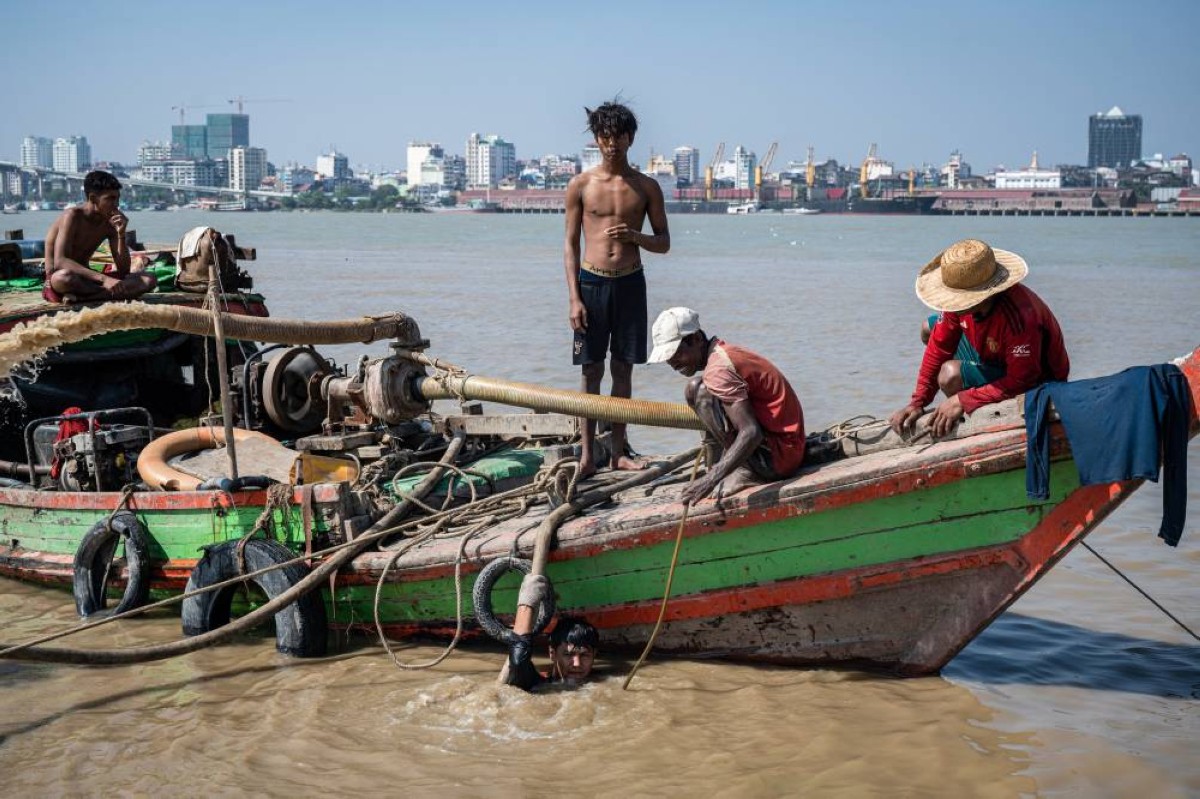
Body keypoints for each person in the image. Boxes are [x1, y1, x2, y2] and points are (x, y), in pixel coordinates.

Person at [564, 100, 670, 480]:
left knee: (623, 368)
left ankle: (618, 453)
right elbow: (569, 245)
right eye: (606, 136)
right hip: (591, 282)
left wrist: (634, 236)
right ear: (597, 139)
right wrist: (574, 298)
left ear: (630, 138)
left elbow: (664, 242)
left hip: (629, 282)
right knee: (590, 371)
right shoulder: (581, 185)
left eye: (619, 136)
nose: (613, 143)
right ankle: (588, 456)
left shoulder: (646, 187)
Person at [889, 238, 1070, 438]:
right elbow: (938, 348)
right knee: (929, 328)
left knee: (950, 375)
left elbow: (1023, 380)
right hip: (994, 355)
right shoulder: (957, 307)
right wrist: (918, 402)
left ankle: (973, 417)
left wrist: (963, 399)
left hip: (1037, 378)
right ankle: (968, 401)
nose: (953, 305)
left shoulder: (1019, 317)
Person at [648, 307, 807, 504]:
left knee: (700, 391)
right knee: (695, 388)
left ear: (696, 339)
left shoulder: (719, 369)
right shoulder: (723, 353)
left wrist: (709, 480)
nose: (672, 363)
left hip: (778, 458)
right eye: (668, 357)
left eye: (676, 353)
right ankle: (724, 466)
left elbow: (750, 432)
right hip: (787, 449)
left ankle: (745, 471)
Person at [42, 171, 157, 304]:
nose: (117, 204)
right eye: (110, 199)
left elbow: (124, 269)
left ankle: (84, 298)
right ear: (93, 198)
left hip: (89, 282)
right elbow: (60, 262)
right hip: (63, 280)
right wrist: (104, 279)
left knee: (149, 279)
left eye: (117, 198)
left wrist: (121, 235)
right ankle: (108, 295)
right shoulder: (72, 216)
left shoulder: (109, 221)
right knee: (63, 278)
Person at [505, 574, 598, 691]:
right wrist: (527, 601)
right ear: (552, 654)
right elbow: (518, 662)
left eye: (584, 655)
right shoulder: (537, 683)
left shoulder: (602, 684)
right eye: (568, 655)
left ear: (595, 655)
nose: (577, 664)